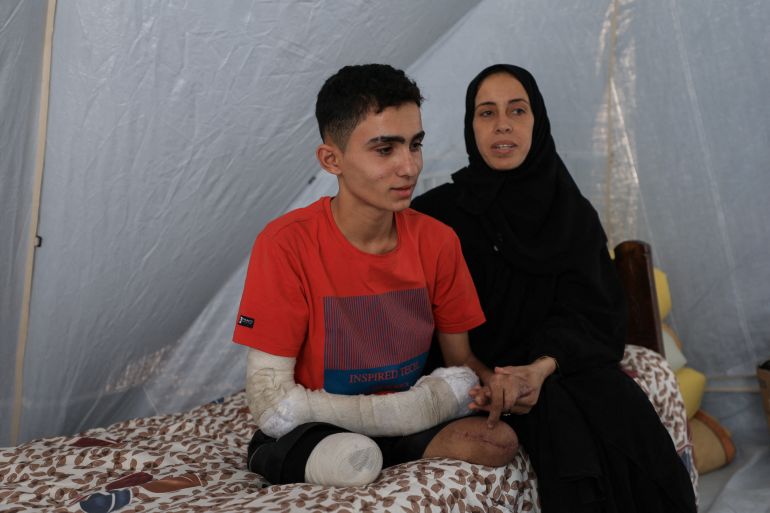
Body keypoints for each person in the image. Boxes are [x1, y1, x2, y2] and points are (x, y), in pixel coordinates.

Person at [411, 64, 697, 512]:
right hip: (479, 376)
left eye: (517, 110)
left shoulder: (571, 213)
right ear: (471, 126)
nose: (502, 124)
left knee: (618, 402)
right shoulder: (436, 216)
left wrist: (539, 369)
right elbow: (423, 323)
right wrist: (498, 380)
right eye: (486, 113)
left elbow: (597, 313)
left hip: (559, 365)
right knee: (559, 419)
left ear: (537, 121)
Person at [232, 64, 518, 488]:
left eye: (415, 145)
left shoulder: (438, 241)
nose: (409, 167)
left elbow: (460, 362)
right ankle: (328, 455)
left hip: (408, 420)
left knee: (500, 442)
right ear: (331, 160)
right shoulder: (285, 243)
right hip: (314, 428)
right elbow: (269, 396)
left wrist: (495, 383)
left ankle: (380, 451)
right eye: (385, 150)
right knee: (351, 458)